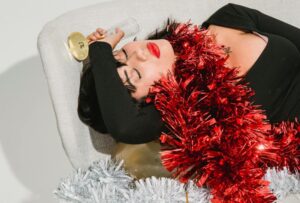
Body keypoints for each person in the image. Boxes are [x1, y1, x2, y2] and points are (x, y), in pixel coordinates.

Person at [78, 3, 300, 144]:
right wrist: (100, 51)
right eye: (135, 75)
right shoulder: (192, 114)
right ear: (147, 102)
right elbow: (126, 127)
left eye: (123, 54)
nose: (141, 54)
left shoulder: (228, 17)